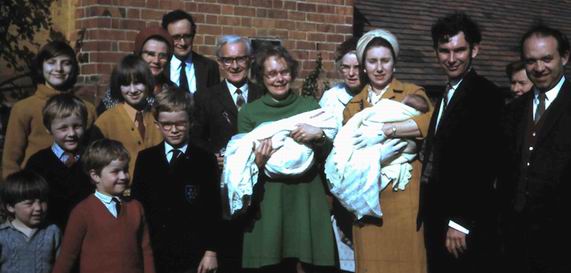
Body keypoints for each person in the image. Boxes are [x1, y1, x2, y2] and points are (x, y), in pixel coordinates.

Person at [340, 29, 433, 273]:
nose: (379, 68)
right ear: (363, 66)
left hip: (405, 196)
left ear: (394, 63)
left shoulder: (413, 93)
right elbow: (345, 151)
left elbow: (429, 124)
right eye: (372, 61)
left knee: (407, 262)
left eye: (385, 60)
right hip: (368, 196)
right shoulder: (353, 106)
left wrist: (385, 129)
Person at [237, 44, 335, 272]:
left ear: (292, 73)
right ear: (262, 77)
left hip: (306, 195)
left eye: (284, 72)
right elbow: (240, 165)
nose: (279, 79)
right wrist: (257, 163)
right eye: (271, 73)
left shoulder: (310, 107)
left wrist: (318, 135)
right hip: (269, 198)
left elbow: (330, 155)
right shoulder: (249, 113)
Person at [418, 12, 503, 273]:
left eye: (459, 50)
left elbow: (484, 164)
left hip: (460, 222)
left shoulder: (485, 95)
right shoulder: (449, 91)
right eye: (444, 51)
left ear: (474, 50)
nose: (452, 59)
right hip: (437, 214)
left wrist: (461, 221)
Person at [499, 24, 571, 273]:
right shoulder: (512, 112)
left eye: (547, 59)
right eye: (531, 61)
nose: (539, 68)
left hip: (562, 244)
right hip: (515, 243)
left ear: (565, 57)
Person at [131, 90, 220, 273]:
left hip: (194, 252)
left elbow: (213, 207)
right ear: (157, 124)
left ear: (191, 123)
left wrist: (211, 252)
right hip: (155, 250)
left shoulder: (205, 159)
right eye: (167, 124)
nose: (173, 130)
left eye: (180, 123)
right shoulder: (146, 159)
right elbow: (138, 204)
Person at [52, 139, 155, 273]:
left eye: (125, 170)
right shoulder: (82, 211)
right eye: (115, 171)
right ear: (95, 176)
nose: (123, 176)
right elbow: (67, 258)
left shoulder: (135, 207)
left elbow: (146, 251)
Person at [1, 40, 97, 179]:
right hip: (35, 187)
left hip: (77, 186)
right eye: (51, 62)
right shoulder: (24, 108)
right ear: (41, 66)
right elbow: (10, 162)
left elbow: (94, 155)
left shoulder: (87, 108)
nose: (58, 69)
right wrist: (16, 194)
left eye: (66, 63)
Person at [25, 94, 94, 231]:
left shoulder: (93, 159)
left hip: (90, 232)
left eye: (77, 126)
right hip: (50, 232)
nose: (71, 133)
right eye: (63, 128)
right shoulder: (38, 163)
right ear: (48, 128)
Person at [192, 35, 263, 166]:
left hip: (257, 171)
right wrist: (211, 157)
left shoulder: (263, 95)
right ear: (219, 62)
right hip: (221, 174)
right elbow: (196, 138)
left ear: (250, 60)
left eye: (241, 59)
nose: (234, 66)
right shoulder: (204, 97)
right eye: (228, 60)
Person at [91, 54, 163, 182]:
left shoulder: (159, 116)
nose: (133, 90)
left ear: (147, 82)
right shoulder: (104, 122)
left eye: (138, 83)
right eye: (126, 84)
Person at [97, 26, 175, 114]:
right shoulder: (119, 91)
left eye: (162, 56)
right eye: (150, 54)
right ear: (138, 55)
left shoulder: (174, 92)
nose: (156, 60)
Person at [0, 170, 60, 273]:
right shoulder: (2, 235)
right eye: (29, 203)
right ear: (10, 207)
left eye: (42, 201)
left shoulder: (52, 231)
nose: (38, 208)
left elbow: (62, 266)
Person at [162, 10, 220, 94]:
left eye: (187, 36)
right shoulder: (160, 66)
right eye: (176, 37)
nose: (183, 43)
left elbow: (214, 102)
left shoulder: (209, 67)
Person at [320, 37, 362, 127]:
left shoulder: (375, 95)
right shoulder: (331, 97)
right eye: (346, 67)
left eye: (357, 67)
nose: (351, 73)